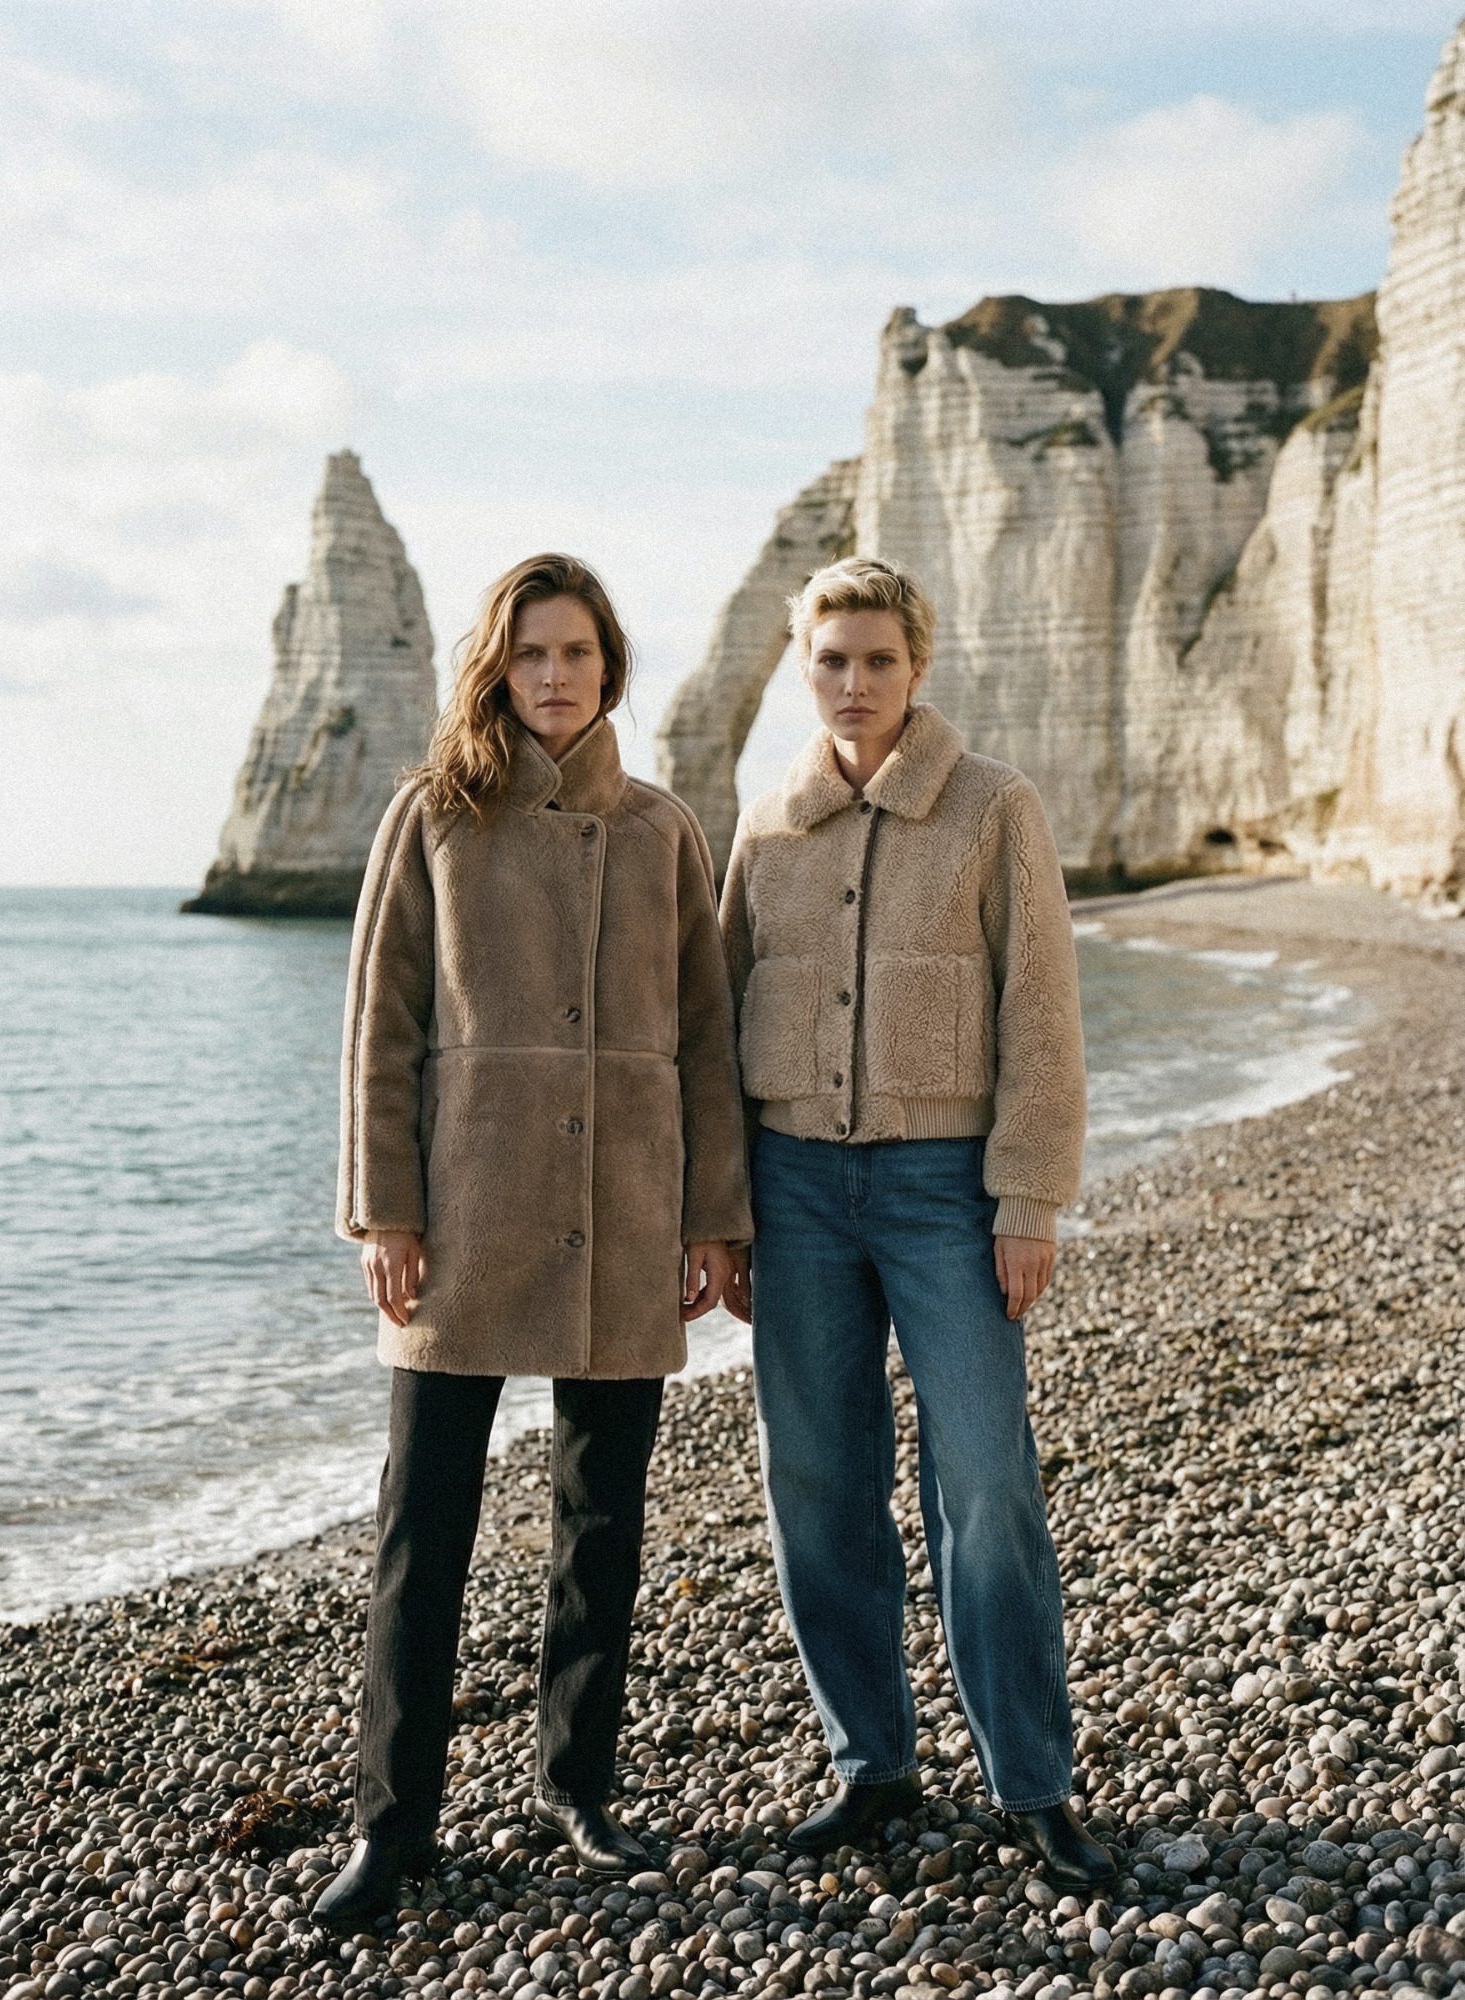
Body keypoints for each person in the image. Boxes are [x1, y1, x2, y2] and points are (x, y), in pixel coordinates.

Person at [315, 554, 752, 1927]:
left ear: (609, 665)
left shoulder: (663, 829)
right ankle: (392, 1822)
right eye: (529, 654)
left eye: (575, 652)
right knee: (422, 1525)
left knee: (600, 1521)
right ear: (496, 671)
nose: (553, 676)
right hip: (463, 1214)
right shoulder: (433, 815)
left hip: (624, 1211)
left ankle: (579, 1790)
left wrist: (714, 1216)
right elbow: (380, 1027)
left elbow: (706, 1037)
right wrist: (384, 1208)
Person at [718, 555, 1113, 1889]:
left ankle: (1032, 1784)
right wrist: (725, 1211)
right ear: (804, 666)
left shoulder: (994, 806)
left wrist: (1028, 1197)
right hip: (794, 1192)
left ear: (917, 666)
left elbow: (1041, 1013)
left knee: (986, 1483)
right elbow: (719, 1023)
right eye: (831, 659)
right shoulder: (767, 827)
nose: (854, 683)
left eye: (878, 659)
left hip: (947, 1191)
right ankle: (870, 1767)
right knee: (818, 1483)